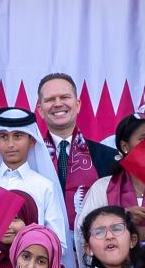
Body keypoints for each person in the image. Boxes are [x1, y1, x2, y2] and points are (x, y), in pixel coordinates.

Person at [0, 105, 72, 244]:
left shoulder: (45, 187)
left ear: (32, 141)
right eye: (3, 136)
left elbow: (58, 242)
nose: (10, 144)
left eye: (18, 136)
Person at [34, 71, 105, 209]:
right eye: (50, 99)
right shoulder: (30, 157)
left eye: (65, 97)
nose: (58, 104)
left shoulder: (107, 157)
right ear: (40, 110)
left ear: (77, 105)